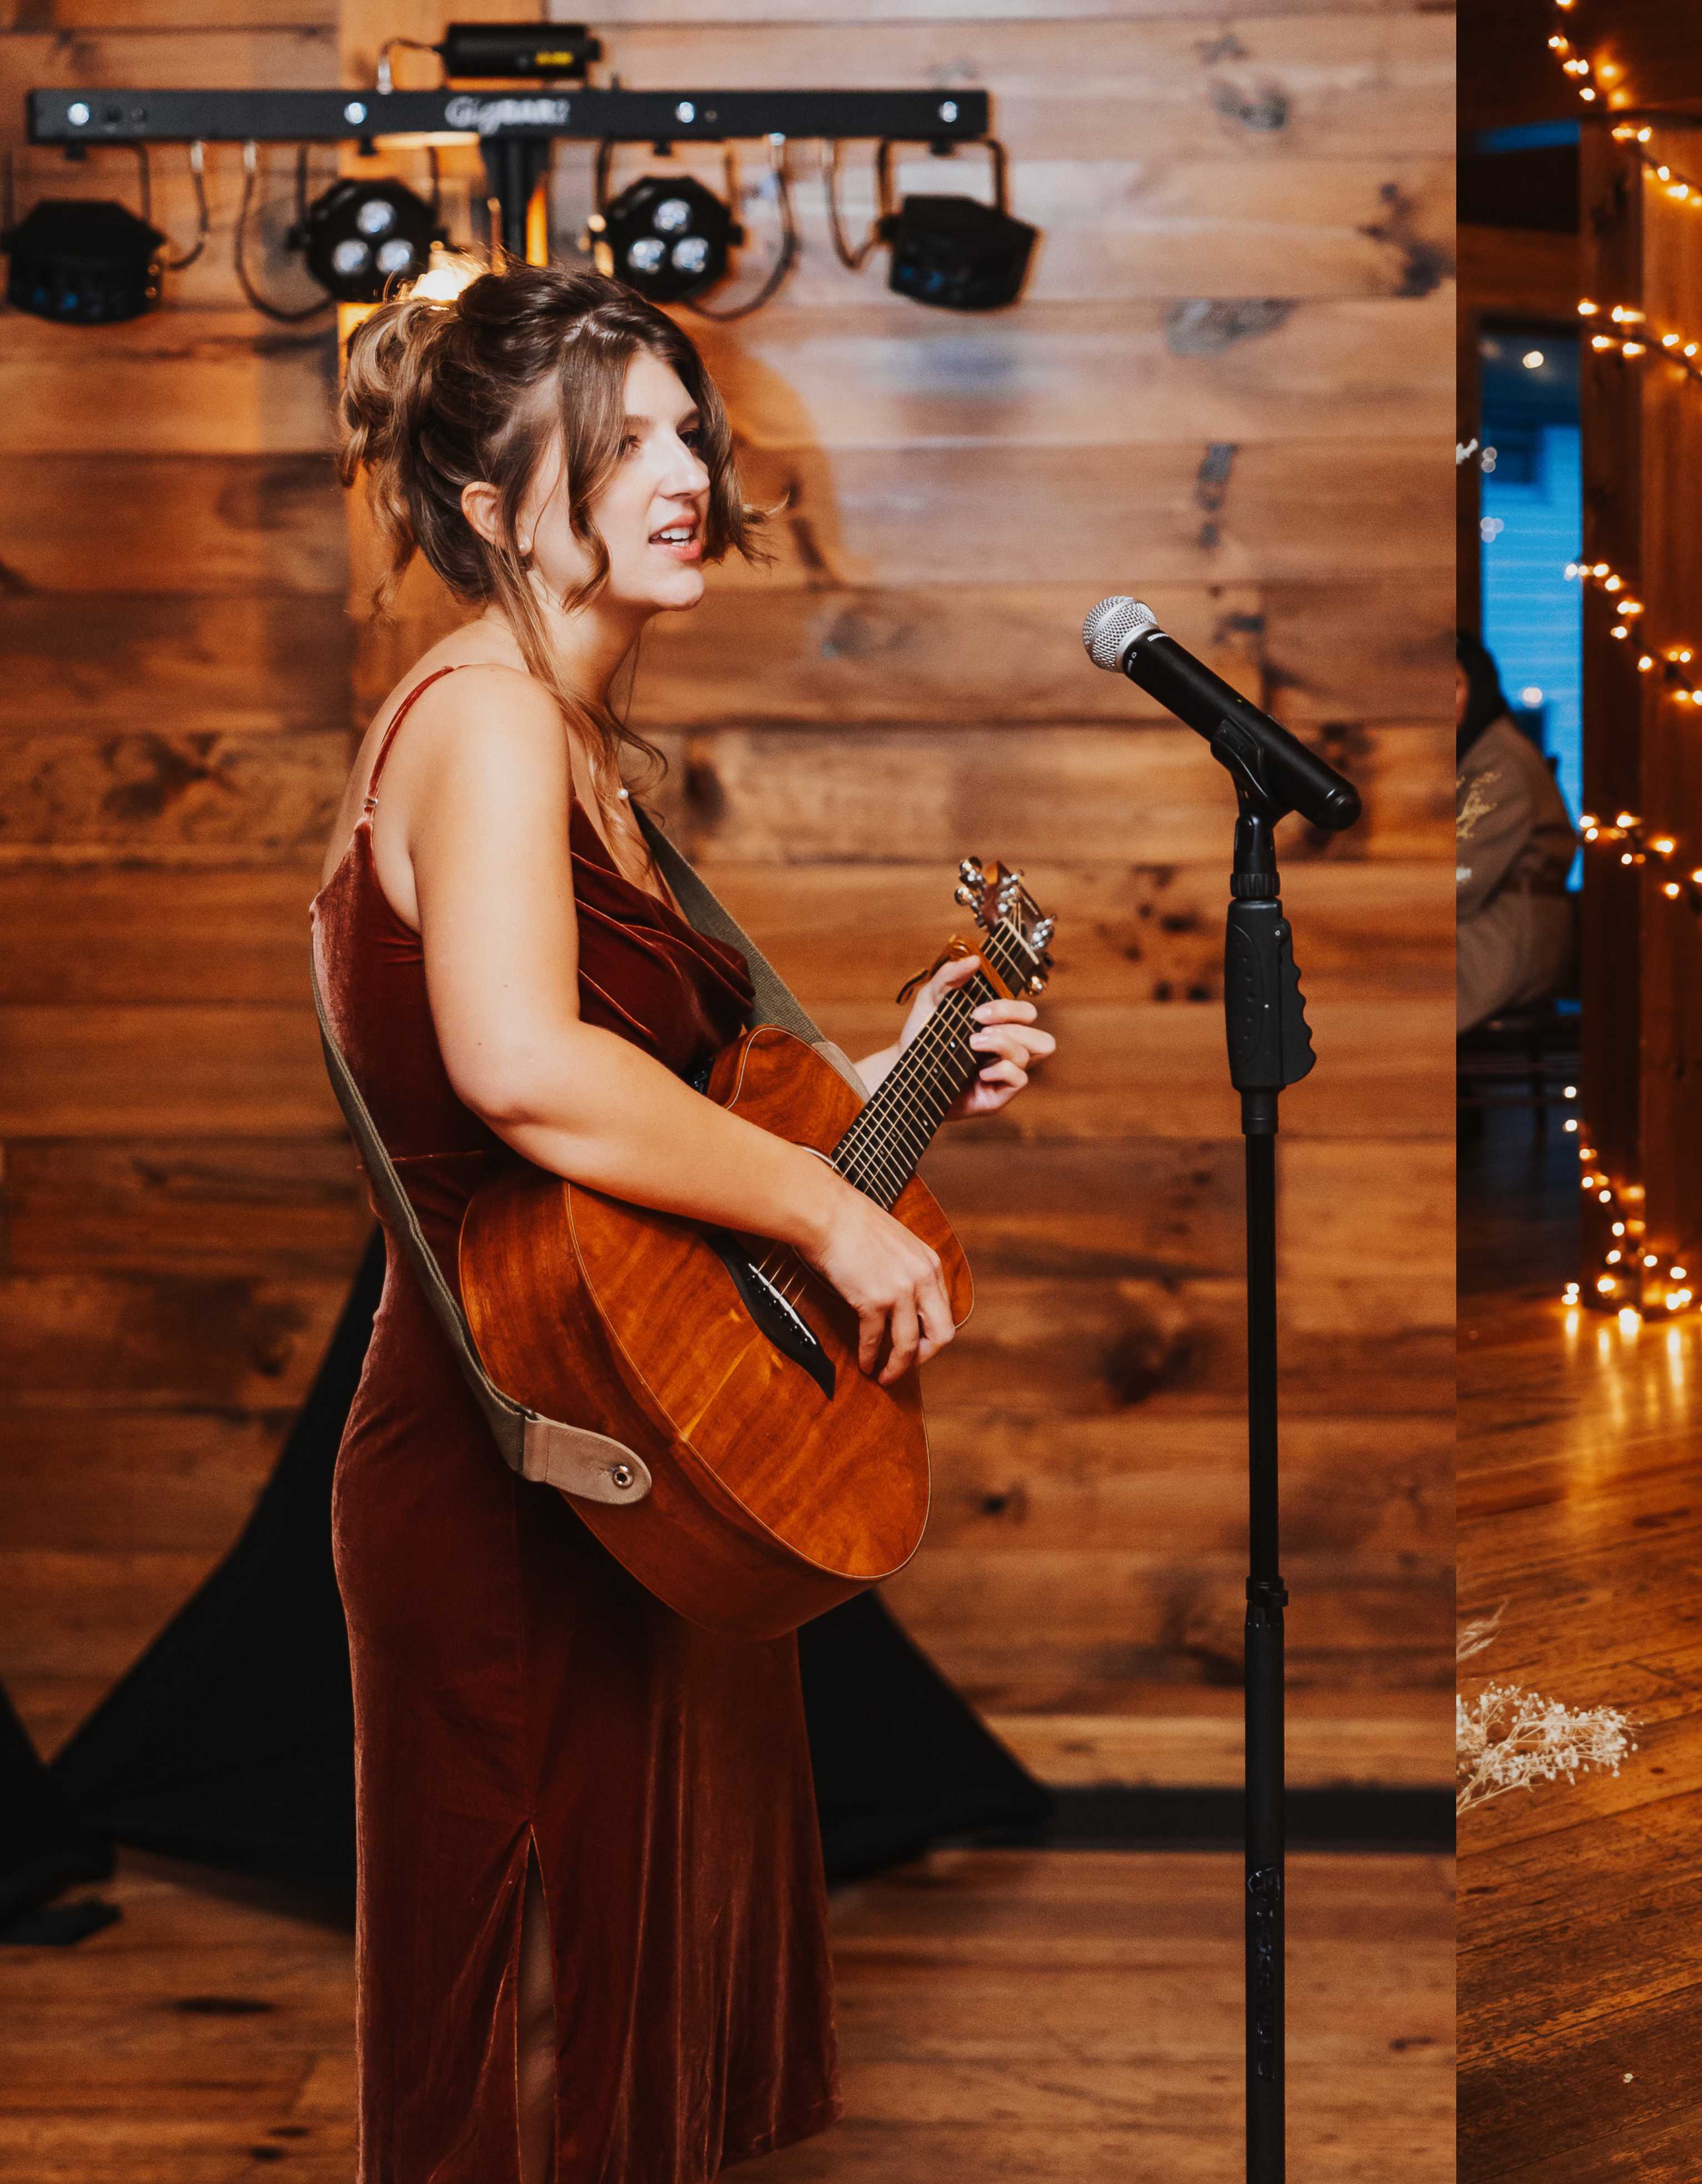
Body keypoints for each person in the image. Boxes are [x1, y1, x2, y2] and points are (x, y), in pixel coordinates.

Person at [315, 258, 1052, 2183]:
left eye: (688, 431)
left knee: (636, 2002)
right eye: (623, 438)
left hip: (649, 1432)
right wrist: (830, 1200)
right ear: (491, 508)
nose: (685, 468)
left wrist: (889, 1081)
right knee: (518, 2027)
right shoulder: (479, 717)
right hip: (507, 1456)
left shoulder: (585, 753)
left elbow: (668, 1115)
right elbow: (523, 1069)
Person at [1457, 633, 1577, 1033]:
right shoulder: (1475, 751)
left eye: (1452, 686)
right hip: (1488, 929)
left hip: (1498, 940)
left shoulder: (1499, 761)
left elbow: (1463, 877)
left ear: (1478, 689)